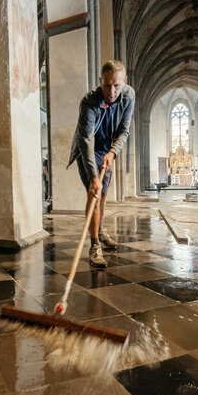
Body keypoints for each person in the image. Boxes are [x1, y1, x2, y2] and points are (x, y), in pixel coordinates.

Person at [67, 60, 134, 268]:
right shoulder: (89, 101)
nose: (111, 91)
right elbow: (85, 139)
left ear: (124, 81)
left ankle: (100, 229)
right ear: (100, 82)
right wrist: (93, 176)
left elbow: (124, 131)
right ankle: (94, 245)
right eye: (106, 85)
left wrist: (112, 153)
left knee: (103, 195)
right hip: (88, 149)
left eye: (116, 85)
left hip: (107, 150)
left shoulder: (129, 95)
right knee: (94, 193)